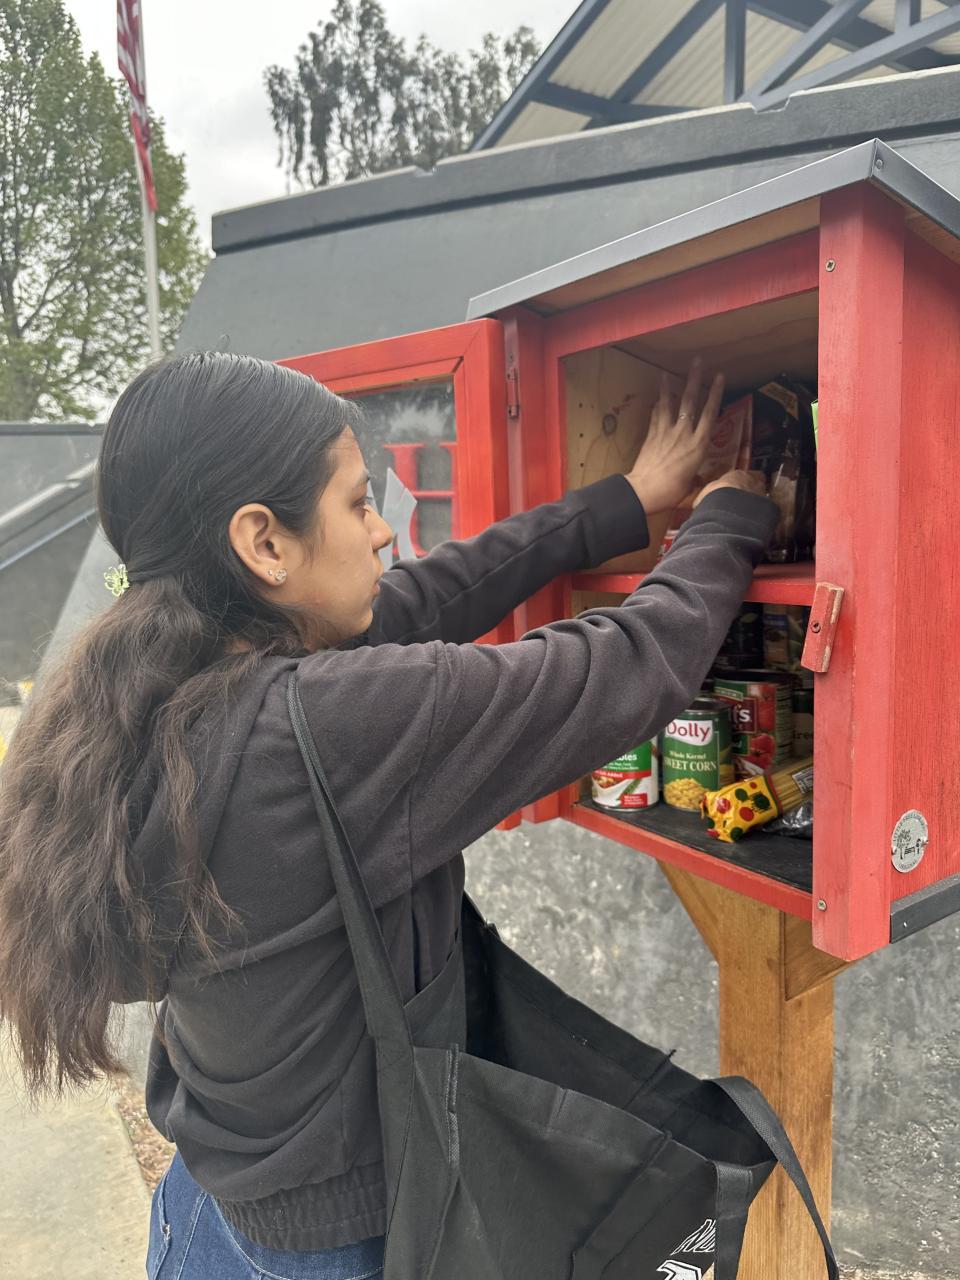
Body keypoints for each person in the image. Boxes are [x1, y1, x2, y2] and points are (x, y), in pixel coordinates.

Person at [0, 351, 774, 1280]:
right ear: (264, 542)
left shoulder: (148, 690)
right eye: (359, 503)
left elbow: (426, 595)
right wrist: (730, 512)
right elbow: (625, 667)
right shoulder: (322, 731)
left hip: (207, 1208)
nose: (382, 535)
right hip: (339, 1251)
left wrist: (626, 501)